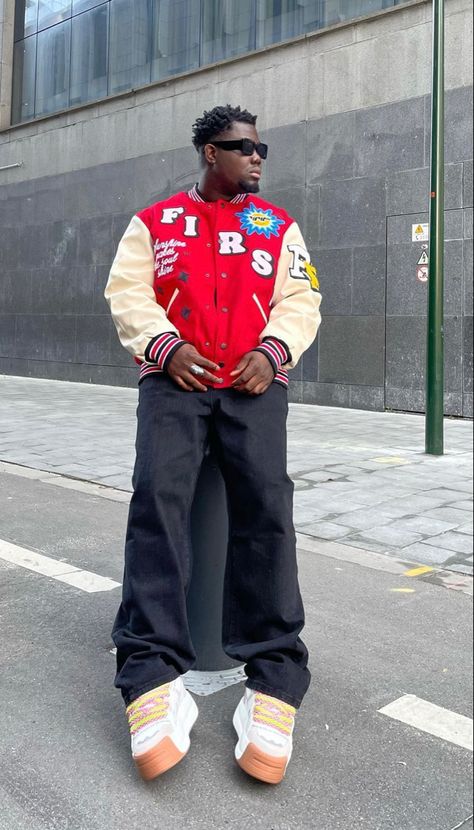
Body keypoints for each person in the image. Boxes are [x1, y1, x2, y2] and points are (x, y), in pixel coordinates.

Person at [105, 104, 322, 786]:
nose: (257, 158)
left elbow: (302, 298)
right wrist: (163, 347)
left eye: (263, 149)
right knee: (157, 509)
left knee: (266, 516)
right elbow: (127, 293)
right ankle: (150, 677)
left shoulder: (279, 227)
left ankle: (273, 681)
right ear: (209, 154)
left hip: (255, 384)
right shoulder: (155, 223)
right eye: (244, 148)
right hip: (174, 383)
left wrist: (275, 348)